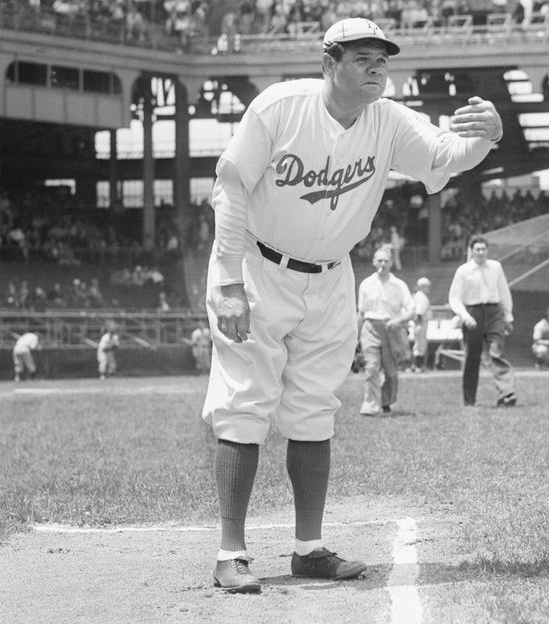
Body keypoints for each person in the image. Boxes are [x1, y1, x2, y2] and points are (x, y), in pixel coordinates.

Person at [201, 17, 503, 594]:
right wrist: (227, 280)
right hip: (260, 269)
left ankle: (308, 549)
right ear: (329, 63)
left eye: (382, 59)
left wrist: (488, 136)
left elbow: (443, 154)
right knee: (243, 403)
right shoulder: (279, 108)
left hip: (334, 276)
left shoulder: (387, 118)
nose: (377, 69)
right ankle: (231, 552)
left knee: (315, 407)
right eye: (362, 58)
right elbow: (231, 184)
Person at [448, 235, 516, 407]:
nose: (480, 252)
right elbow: (454, 298)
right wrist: (465, 316)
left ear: (487, 250)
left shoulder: (496, 267)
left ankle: (506, 393)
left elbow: (504, 291)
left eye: (483, 249)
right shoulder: (463, 271)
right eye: (477, 249)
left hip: (494, 313)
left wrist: (508, 316)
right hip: (473, 314)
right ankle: (469, 400)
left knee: (497, 351)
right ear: (471, 251)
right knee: (472, 358)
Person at [356, 246, 413, 415]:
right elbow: (361, 312)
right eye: (379, 260)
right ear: (374, 262)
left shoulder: (399, 285)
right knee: (372, 367)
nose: (382, 264)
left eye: (386, 261)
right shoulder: (366, 284)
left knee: (391, 372)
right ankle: (370, 406)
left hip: (391, 328)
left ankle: (386, 402)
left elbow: (411, 310)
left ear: (391, 263)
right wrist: (356, 336)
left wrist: (399, 320)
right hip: (370, 327)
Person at [409, 276, 432, 372]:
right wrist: (419, 324)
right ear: (422, 286)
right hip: (421, 322)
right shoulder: (421, 297)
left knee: (418, 345)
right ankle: (418, 366)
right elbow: (419, 312)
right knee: (421, 345)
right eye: (427, 286)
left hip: (418, 323)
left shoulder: (417, 295)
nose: (429, 289)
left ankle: (415, 365)